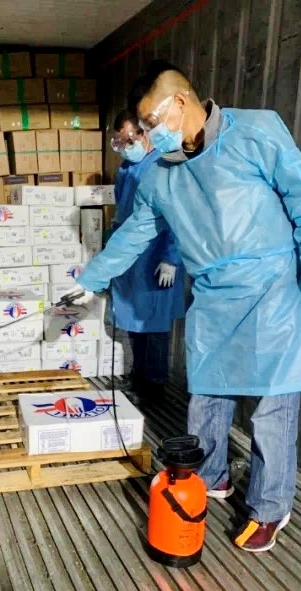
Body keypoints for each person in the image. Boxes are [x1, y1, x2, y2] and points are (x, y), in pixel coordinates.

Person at [73, 60, 301, 553]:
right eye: (143, 127)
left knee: (272, 405)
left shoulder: (255, 131)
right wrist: (91, 280)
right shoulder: (159, 176)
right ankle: (211, 475)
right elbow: (134, 233)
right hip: (214, 297)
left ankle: (270, 506)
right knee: (207, 393)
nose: (149, 134)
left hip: (275, 290)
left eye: (152, 122)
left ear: (181, 101)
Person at [109, 109, 184, 400]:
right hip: (133, 257)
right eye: (120, 141)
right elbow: (121, 212)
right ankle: (138, 376)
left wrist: (171, 258)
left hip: (156, 256)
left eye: (129, 140)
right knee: (133, 319)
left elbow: (177, 216)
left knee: (154, 323)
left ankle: (154, 384)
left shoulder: (164, 165)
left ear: (145, 135)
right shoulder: (127, 168)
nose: (126, 147)